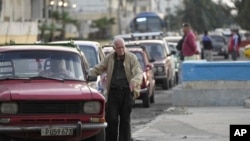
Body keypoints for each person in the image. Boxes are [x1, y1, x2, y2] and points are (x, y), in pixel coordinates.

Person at [88, 37, 143, 141]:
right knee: (111, 119)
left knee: (125, 120)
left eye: (123, 47)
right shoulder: (109, 58)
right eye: (118, 48)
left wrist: (134, 81)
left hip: (127, 92)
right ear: (114, 48)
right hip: (114, 92)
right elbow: (99, 68)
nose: (121, 50)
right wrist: (88, 75)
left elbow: (138, 72)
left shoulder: (132, 58)